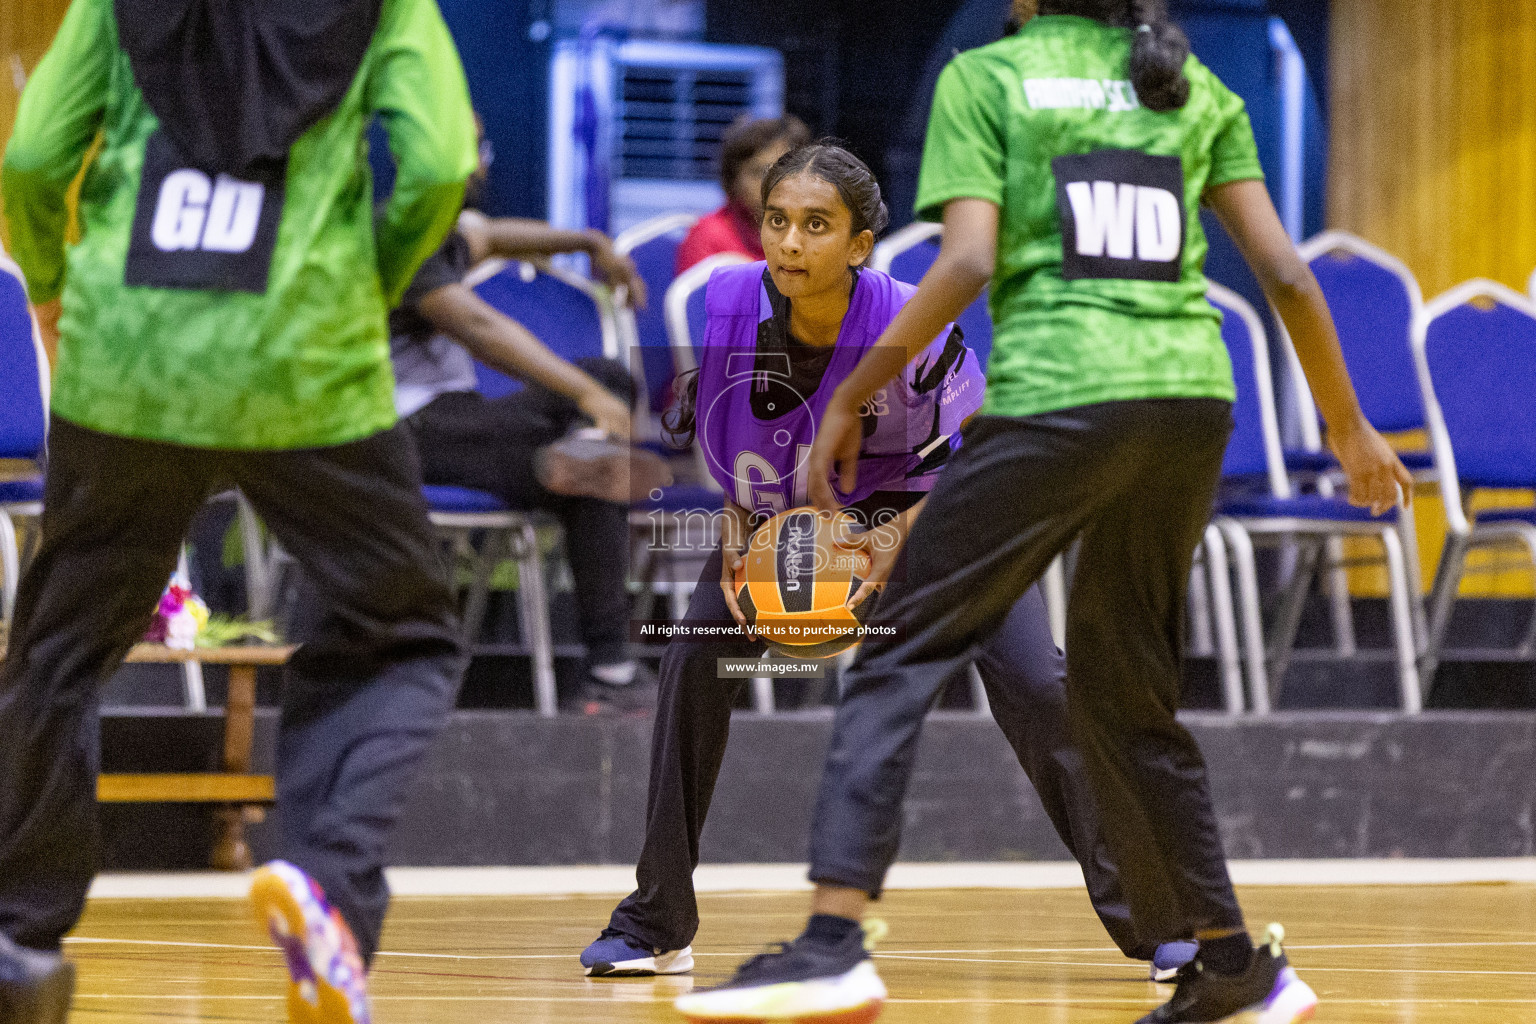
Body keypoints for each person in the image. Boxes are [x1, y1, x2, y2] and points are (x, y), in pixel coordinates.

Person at [675, 3, 1411, 1024]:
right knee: (1127, 695)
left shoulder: (990, 77)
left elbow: (968, 260)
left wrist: (852, 390)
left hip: (1063, 396)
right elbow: (1285, 271)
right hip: (1189, 402)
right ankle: (1235, 962)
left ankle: (832, 942)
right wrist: (1348, 429)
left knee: (898, 650)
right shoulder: (1195, 86)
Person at [579, 142, 1186, 982]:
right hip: (799, 519)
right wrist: (736, 543)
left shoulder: (913, 317)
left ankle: (1158, 921)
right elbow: (733, 449)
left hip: (951, 519)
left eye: (816, 226)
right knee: (693, 656)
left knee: (1039, 684)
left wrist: (892, 544)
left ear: (860, 245)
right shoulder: (729, 300)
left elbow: (978, 461)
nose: (790, 243)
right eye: (778, 222)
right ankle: (655, 919)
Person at [0, 0, 477, 1021]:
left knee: (57, 646)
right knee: (399, 631)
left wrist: (49, 280)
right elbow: (438, 165)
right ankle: (326, 884)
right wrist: (373, 282)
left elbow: (36, 155)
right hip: (303, 354)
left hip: (128, 354)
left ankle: (15, 939)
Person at [392, 208, 673, 709]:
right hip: (399, 432)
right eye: (475, 146)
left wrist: (589, 243)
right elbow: (479, 328)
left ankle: (581, 450)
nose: (481, 160)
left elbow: (492, 234)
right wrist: (586, 397)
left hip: (464, 417)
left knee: (608, 376)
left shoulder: (430, 231)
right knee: (597, 444)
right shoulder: (393, 244)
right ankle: (610, 668)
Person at [676, 114, 812, 273]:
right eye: (759, 172)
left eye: (784, 171)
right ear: (733, 180)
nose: (773, 182)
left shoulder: (816, 231)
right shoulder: (709, 235)